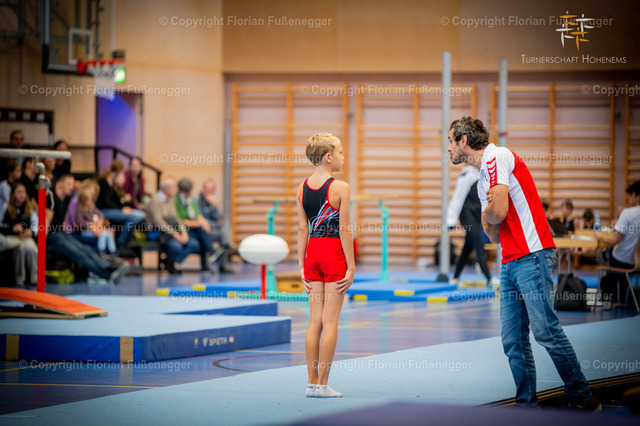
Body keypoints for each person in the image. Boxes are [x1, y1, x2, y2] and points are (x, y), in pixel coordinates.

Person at [447, 116, 600, 412]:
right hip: (509, 261)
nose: (448, 149)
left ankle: (584, 399)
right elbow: (493, 234)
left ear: (463, 141)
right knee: (513, 341)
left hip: (533, 254)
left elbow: (498, 214)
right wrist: (490, 213)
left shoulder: (497, 156)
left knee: (545, 331)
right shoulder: (482, 181)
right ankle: (526, 406)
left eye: (450, 142)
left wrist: (490, 213)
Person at [297, 133, 354, 398]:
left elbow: (302, 229)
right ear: (329, 157)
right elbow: (344, 230)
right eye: (340, 152)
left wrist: (301, 264)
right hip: (333, 253)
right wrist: (350, 267)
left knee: (315, 321)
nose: (343, 156)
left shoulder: (302, 188)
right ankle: (322, 384)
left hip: (312, 254)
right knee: (330, 322)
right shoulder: (341, 187)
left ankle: (311, 384)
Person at [45, 174, 128, 283]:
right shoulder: (51, 198)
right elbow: (46, 221)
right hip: (53, 236)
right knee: (79, 253)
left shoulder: (67, 199)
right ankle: (108, 274)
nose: (71, 187)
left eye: (72, 184)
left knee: (86, 250)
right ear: (60, 184)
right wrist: (41, 243)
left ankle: (110, 268)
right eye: (68, 184)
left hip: (62, 233)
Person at [447, 163, 497, 289]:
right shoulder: (467, 176)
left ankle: (455, 278)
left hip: (476, 217)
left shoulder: (483, 176)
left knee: (467, 249)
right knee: (479, 247)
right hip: (467, 217)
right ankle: (490, 279)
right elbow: (457, 198)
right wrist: (451, 220)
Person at [594, 181, 640, 305]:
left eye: (630, 194)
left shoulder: (628, 213)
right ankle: (622, 296)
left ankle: (609, 300)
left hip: (623, 259)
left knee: (609, 253)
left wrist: (599, 235)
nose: (627, 197)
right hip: (636, 260)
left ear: (637, 196)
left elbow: (614, 240)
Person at [146, 176, 201, 274]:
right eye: (175, 187)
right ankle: (170, 264)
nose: (177, 189)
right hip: (160, 233)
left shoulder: (170, 200)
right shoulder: (155, 201)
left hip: (174, 232)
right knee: (176, 247)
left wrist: (184, 232)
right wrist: (175, 234)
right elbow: (159, 222)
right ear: (166, 188)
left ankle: (168, 262)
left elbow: (177, 218)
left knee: (194, 244)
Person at [96, 159, 146, 251]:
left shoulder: (113, 184)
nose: (123, 177)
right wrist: (121, 209)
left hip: (112, 209)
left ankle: (127, 240)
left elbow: (117, 201)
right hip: (103, 211)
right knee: (133, 218)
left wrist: (125, 206)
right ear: (116, 172)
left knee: (140, 216)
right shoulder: (104, 182)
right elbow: (107, 203)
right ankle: (121, 243)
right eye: (121, 174)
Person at [174, 178, 219, 273]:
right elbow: (182, 221)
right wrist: (200, 223)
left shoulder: (189, 200)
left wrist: (204, 223)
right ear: (188, 190)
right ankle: (211, 251)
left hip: (192, 229)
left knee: (202, 234)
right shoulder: (176, 201)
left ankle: (206, 263)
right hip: (181, 230)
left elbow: (198, 215)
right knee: (201, 235)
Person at [0, 183, 38, 287]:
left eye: (24, 192)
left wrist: (32, 231)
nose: (22, 195)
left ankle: (35, 278)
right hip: (11, 237)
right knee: (20, 249)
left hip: (25, 237)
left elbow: (36, 224)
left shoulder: (28, 207)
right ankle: (20, 279)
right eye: (19, 192)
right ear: (13, 194)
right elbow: (1, 224)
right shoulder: (6, 206)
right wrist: (12, 228)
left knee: (33, 249)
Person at [195, 179, 235, 273]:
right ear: (203, 189)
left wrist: (214, 206)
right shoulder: (196, 200)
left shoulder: (214, 200)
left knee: (224, 225)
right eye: (207, 188)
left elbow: (218, 218)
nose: (209, 191)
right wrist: (213, 224)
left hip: (213, 228)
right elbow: (199, 218)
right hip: (202, 230)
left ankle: (223, 263)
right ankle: (226, 245)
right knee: (221, 234)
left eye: (211, 189)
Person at [74, 181, 117, 256]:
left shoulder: (92, 207)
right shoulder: (80, 208)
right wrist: (91, 226)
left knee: (109, 234)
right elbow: (81, 222)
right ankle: (102, 251)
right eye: (88, 200)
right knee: (102, 234)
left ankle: (113, 252)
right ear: (83, 200)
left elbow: (100, 214)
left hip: (96, 228)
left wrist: (100, 221)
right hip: (86, 231)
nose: (90, 202)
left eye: (91, 200)